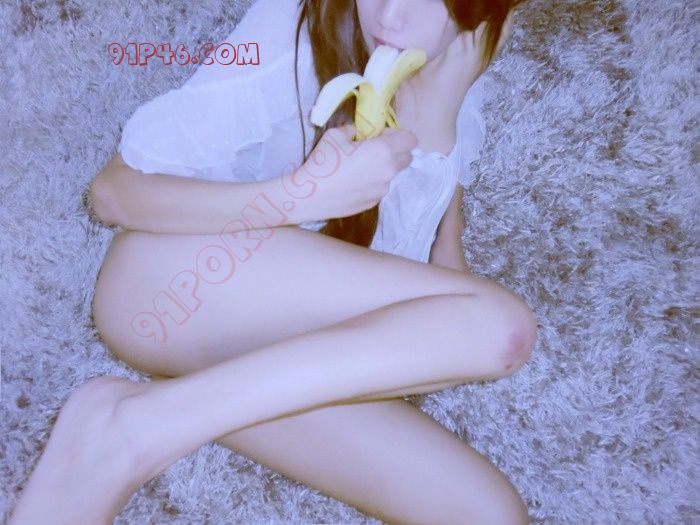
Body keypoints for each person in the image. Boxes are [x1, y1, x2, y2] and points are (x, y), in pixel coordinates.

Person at [9, 0, 535, 523]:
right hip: (172, 287)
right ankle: (136, 431)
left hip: (272, 349)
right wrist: (302, 195)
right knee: (500, 329)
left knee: (487, 514)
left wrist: (436, 123)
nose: (389, 17)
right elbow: (113, 192)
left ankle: (146, 420)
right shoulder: (293, 24)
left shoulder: (454, 67)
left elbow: (427, 310)